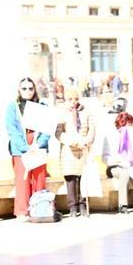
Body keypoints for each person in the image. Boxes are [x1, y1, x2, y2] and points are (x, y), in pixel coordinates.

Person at [3, 77, 51, 220]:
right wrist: (24, 147)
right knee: (22, 180)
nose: (28, 91)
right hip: (20, 148)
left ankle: (39, 210)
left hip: (38, 146)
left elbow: (47, 128)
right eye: (24, 88)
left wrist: (39, 144)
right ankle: (22, 211)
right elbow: (11, 129)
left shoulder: (42, 105)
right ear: (19, 90)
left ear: (34, 89)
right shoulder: (13, 106)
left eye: (30, 88)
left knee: (39, 179)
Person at [57, 88, 96, 218]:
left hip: (83, 149)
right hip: (69, 151)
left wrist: (87, 141)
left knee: (83, 178)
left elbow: (92, 129)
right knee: (71, 179)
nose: (73, 102)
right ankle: (72, 206)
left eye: (76, 99)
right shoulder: (62, 113)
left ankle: (83, 204)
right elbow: (59, 133)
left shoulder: (86, 111)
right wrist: (72, 142)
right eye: (70, 99)